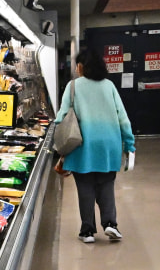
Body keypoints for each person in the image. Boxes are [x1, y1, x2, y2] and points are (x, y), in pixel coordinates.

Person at [55, 48, 136, 243]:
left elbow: (61, 119)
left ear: (82, 67)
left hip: (83, 145)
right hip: (109, 145)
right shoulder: (109, 86)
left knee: (85, 188)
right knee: (106, 185)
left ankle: (87, 231)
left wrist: (59, 144)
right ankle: (110, 224)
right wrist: (129, 144)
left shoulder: (73, 86)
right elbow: (123, 118)